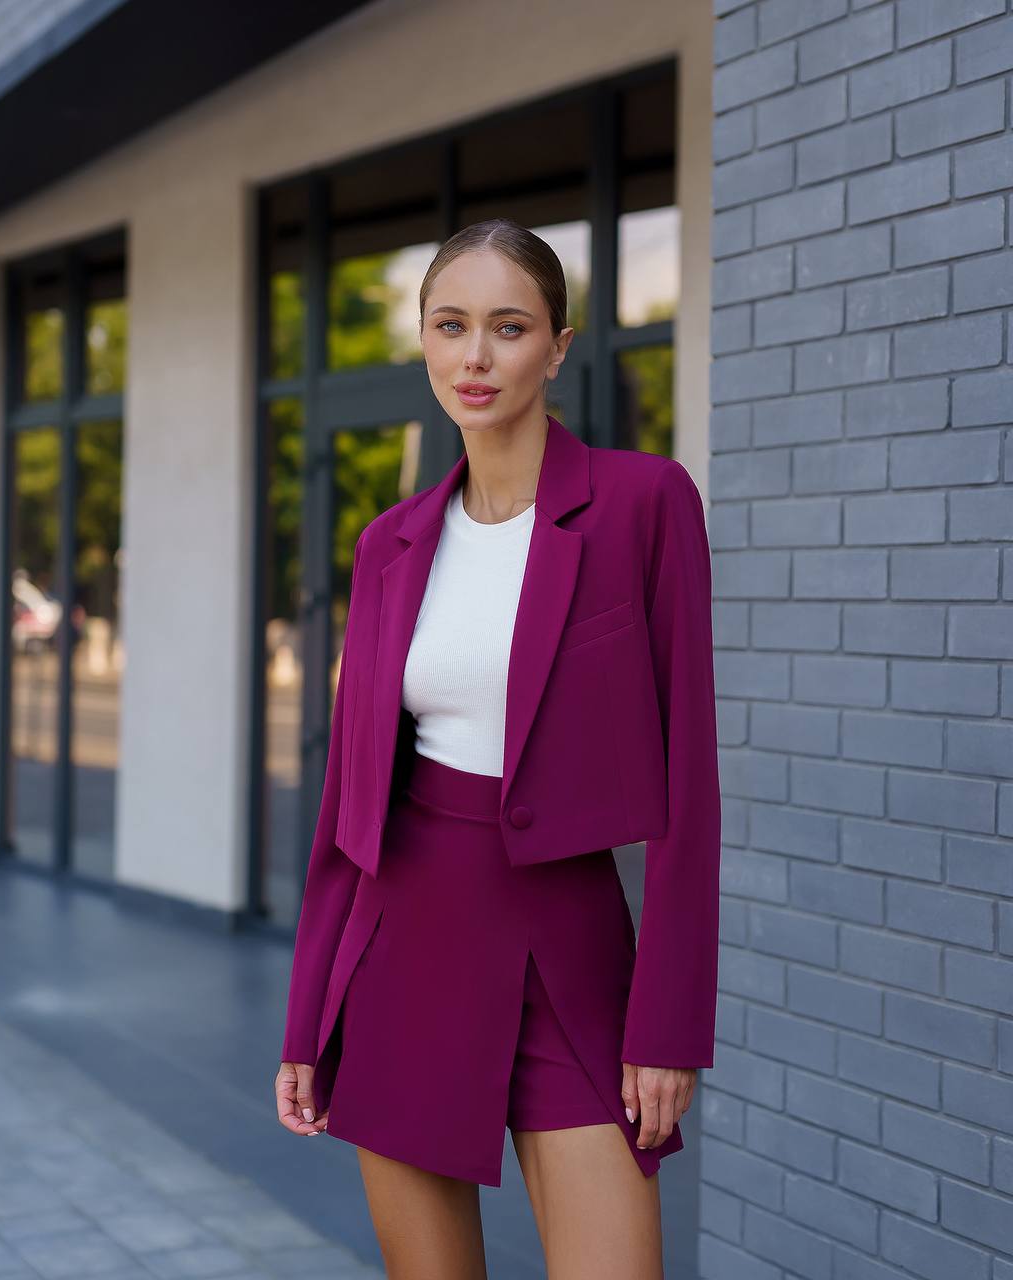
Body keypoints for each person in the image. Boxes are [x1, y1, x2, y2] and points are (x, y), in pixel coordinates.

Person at [274, 218, 721, 1279]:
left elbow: (692, 791)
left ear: (557, 346)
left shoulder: (642, 504)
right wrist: (306, 1020)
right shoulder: (388, 543)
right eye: (451, 326)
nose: (475, 357)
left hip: (570, 960)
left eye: (507, 327)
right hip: (401, 956)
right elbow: (350, 806)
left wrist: (668, 1027)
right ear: (425, 342)